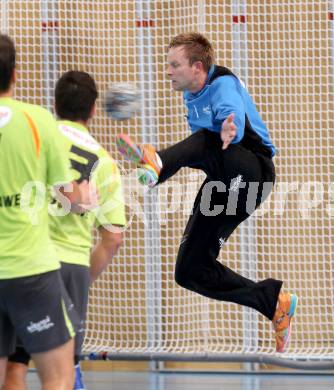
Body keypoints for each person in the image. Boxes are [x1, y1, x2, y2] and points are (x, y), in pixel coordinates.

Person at [116, 32, 298, 353]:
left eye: (175, 65)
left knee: (207, 139)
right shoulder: (190, 97)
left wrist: (231, 127)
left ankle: (155, 161)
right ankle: (272, 301)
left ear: (197, 67)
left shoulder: (222, 83)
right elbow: (201, 154)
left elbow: (231, 115)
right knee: (189, 270)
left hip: (253, 171)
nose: (168, 71)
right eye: (167, 65)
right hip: (222, 180)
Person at [4, 71, 126, 390]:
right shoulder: (107, 164)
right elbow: (112, 238)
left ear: (55, 104)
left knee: (14, 368)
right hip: (70, 266)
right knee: (62, 374)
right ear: (94, 108)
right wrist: (83, 275)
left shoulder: (36, 135)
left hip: (24, 259)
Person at [0, 35, 96, 389]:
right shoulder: (39, 122)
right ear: (15, 74)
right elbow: (69, 196)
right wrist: (85, 196)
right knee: (58, 377)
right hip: (31, 270)